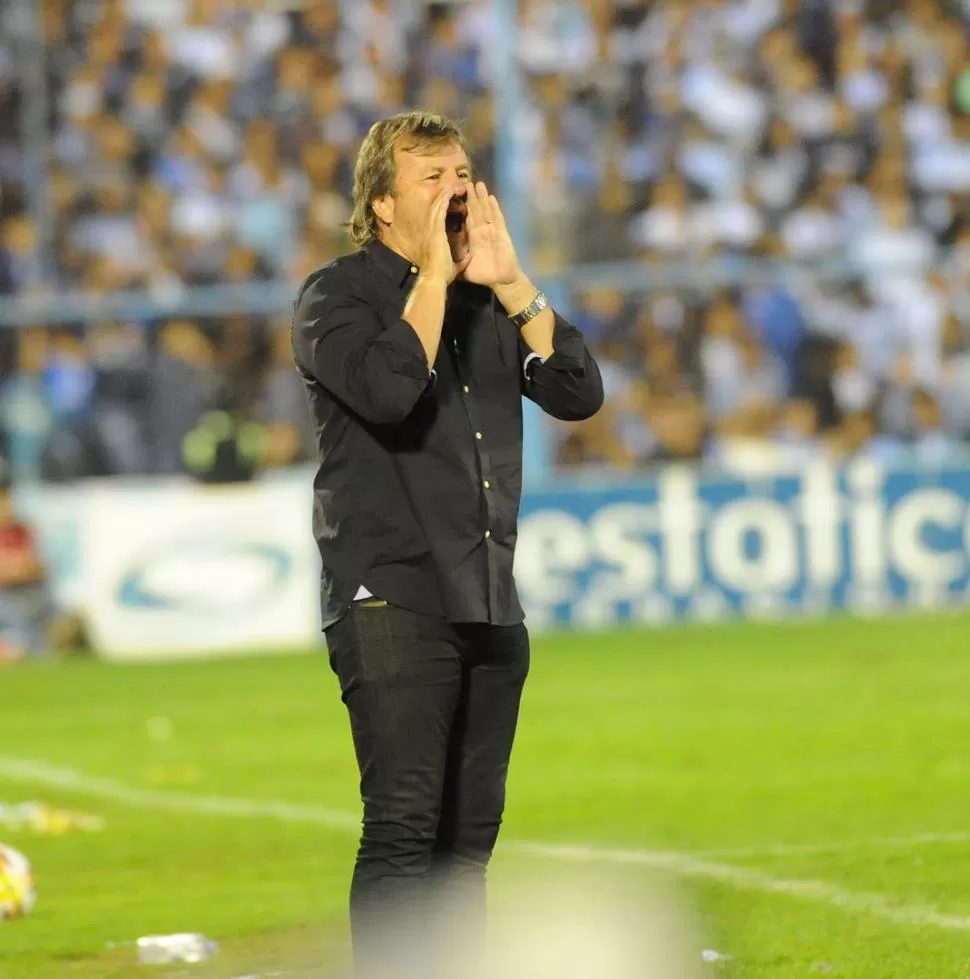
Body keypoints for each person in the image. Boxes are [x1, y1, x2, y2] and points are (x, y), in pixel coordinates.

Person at [291, 110, 603, 979]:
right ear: (382, 203)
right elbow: (391, 391)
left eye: (461, 173)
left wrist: (513, 285)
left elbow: (578, 393)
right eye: (431, 178)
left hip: (489, 593)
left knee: (468, 838)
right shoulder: (335, 295)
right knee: (402, 822)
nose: (454, 191)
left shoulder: (486, 297)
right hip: (390, 593)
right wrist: (434, 273)